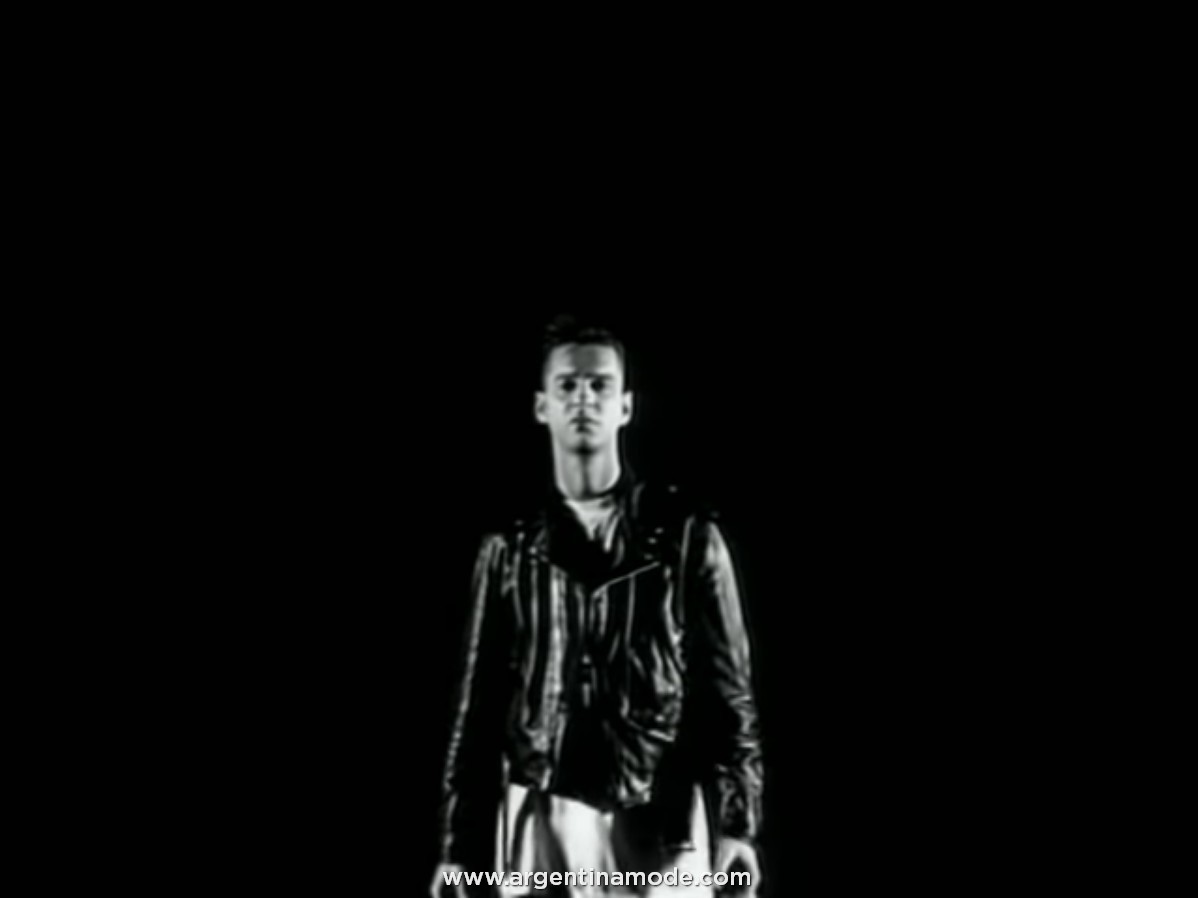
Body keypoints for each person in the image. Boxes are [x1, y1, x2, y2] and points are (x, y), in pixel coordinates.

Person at [430, 316, 764, 897]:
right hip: (542, 812)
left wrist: (739, 824)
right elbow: (475, 709)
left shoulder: (685, 539)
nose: (583, 398)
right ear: (542, 406)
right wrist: (459, 848)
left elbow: (730, 694)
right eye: (568, 385)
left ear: (625, 406)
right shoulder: (510, 550)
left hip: (659, 815)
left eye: (599, 384)